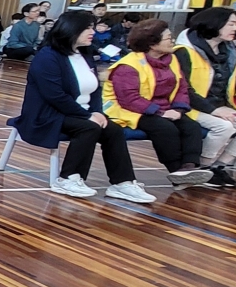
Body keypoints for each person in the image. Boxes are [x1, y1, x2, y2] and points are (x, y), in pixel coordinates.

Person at [12, 11, 155, 203]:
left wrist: (97, 112)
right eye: (87, 28)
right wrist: (86, 116)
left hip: (81, 112)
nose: (92, 32)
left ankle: (123, 182)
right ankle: (68, 178)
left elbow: (95, 89)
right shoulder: (47, 56)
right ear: (71, 29)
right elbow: (55, 96)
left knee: (113, 129)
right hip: (49, 114)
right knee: (89, 127)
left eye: (93, 27)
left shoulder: (85, 53)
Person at [102, 20, 212, 186]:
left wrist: (179, 109)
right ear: (152, 43)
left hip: (165, 108)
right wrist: (160, 112)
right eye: (168, 38)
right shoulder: (128, 66)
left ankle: (189, 167)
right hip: (130, 110)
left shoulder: (172, 59)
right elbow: (129, 99)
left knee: (192, 127)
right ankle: (176, 170)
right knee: (165, 128)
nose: (172, 41)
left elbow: (182, 87)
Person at [173, 7, 236, 186]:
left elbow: (226, 82)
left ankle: (218, 166)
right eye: (231, 24)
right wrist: (215, 110)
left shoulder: (229, 51)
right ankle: (203, 168)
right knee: (224, 127)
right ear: (215, 24)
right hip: (192, 106)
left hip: (220, 105)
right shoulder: (184, 51)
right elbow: (183, 90)